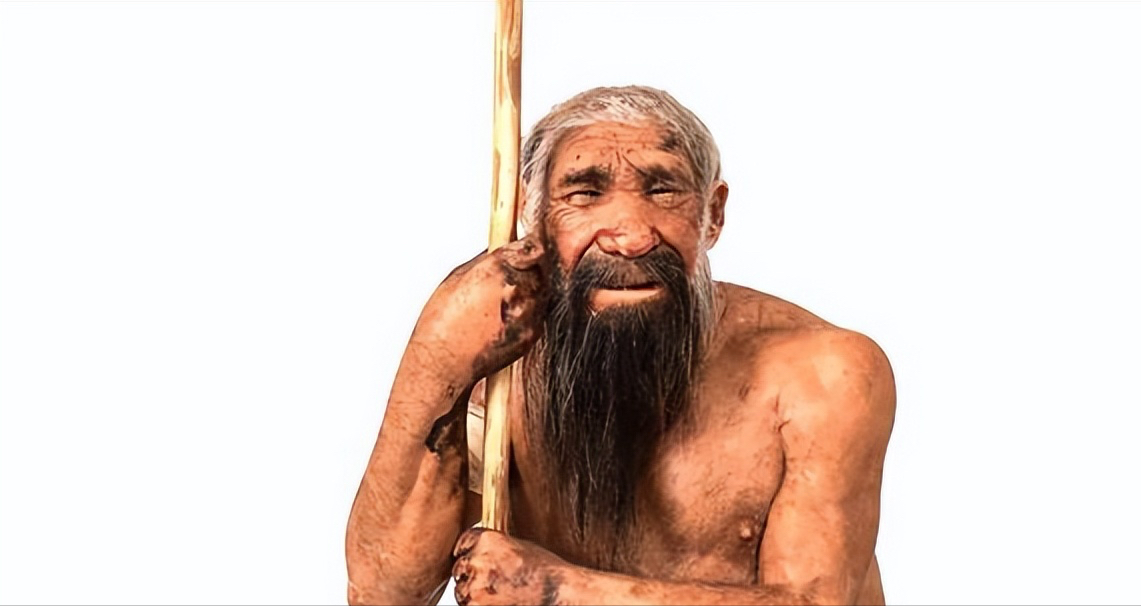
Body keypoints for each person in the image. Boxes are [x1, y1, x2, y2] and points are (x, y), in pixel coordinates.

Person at [345, 86, 896, 606]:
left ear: (713, 215)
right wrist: (437, 352)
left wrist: (556, 590)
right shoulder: (496, 367)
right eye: (585, 193)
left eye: (663, 190)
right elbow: (382, 593)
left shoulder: (826, 373)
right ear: (530, 217)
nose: (631, 237)